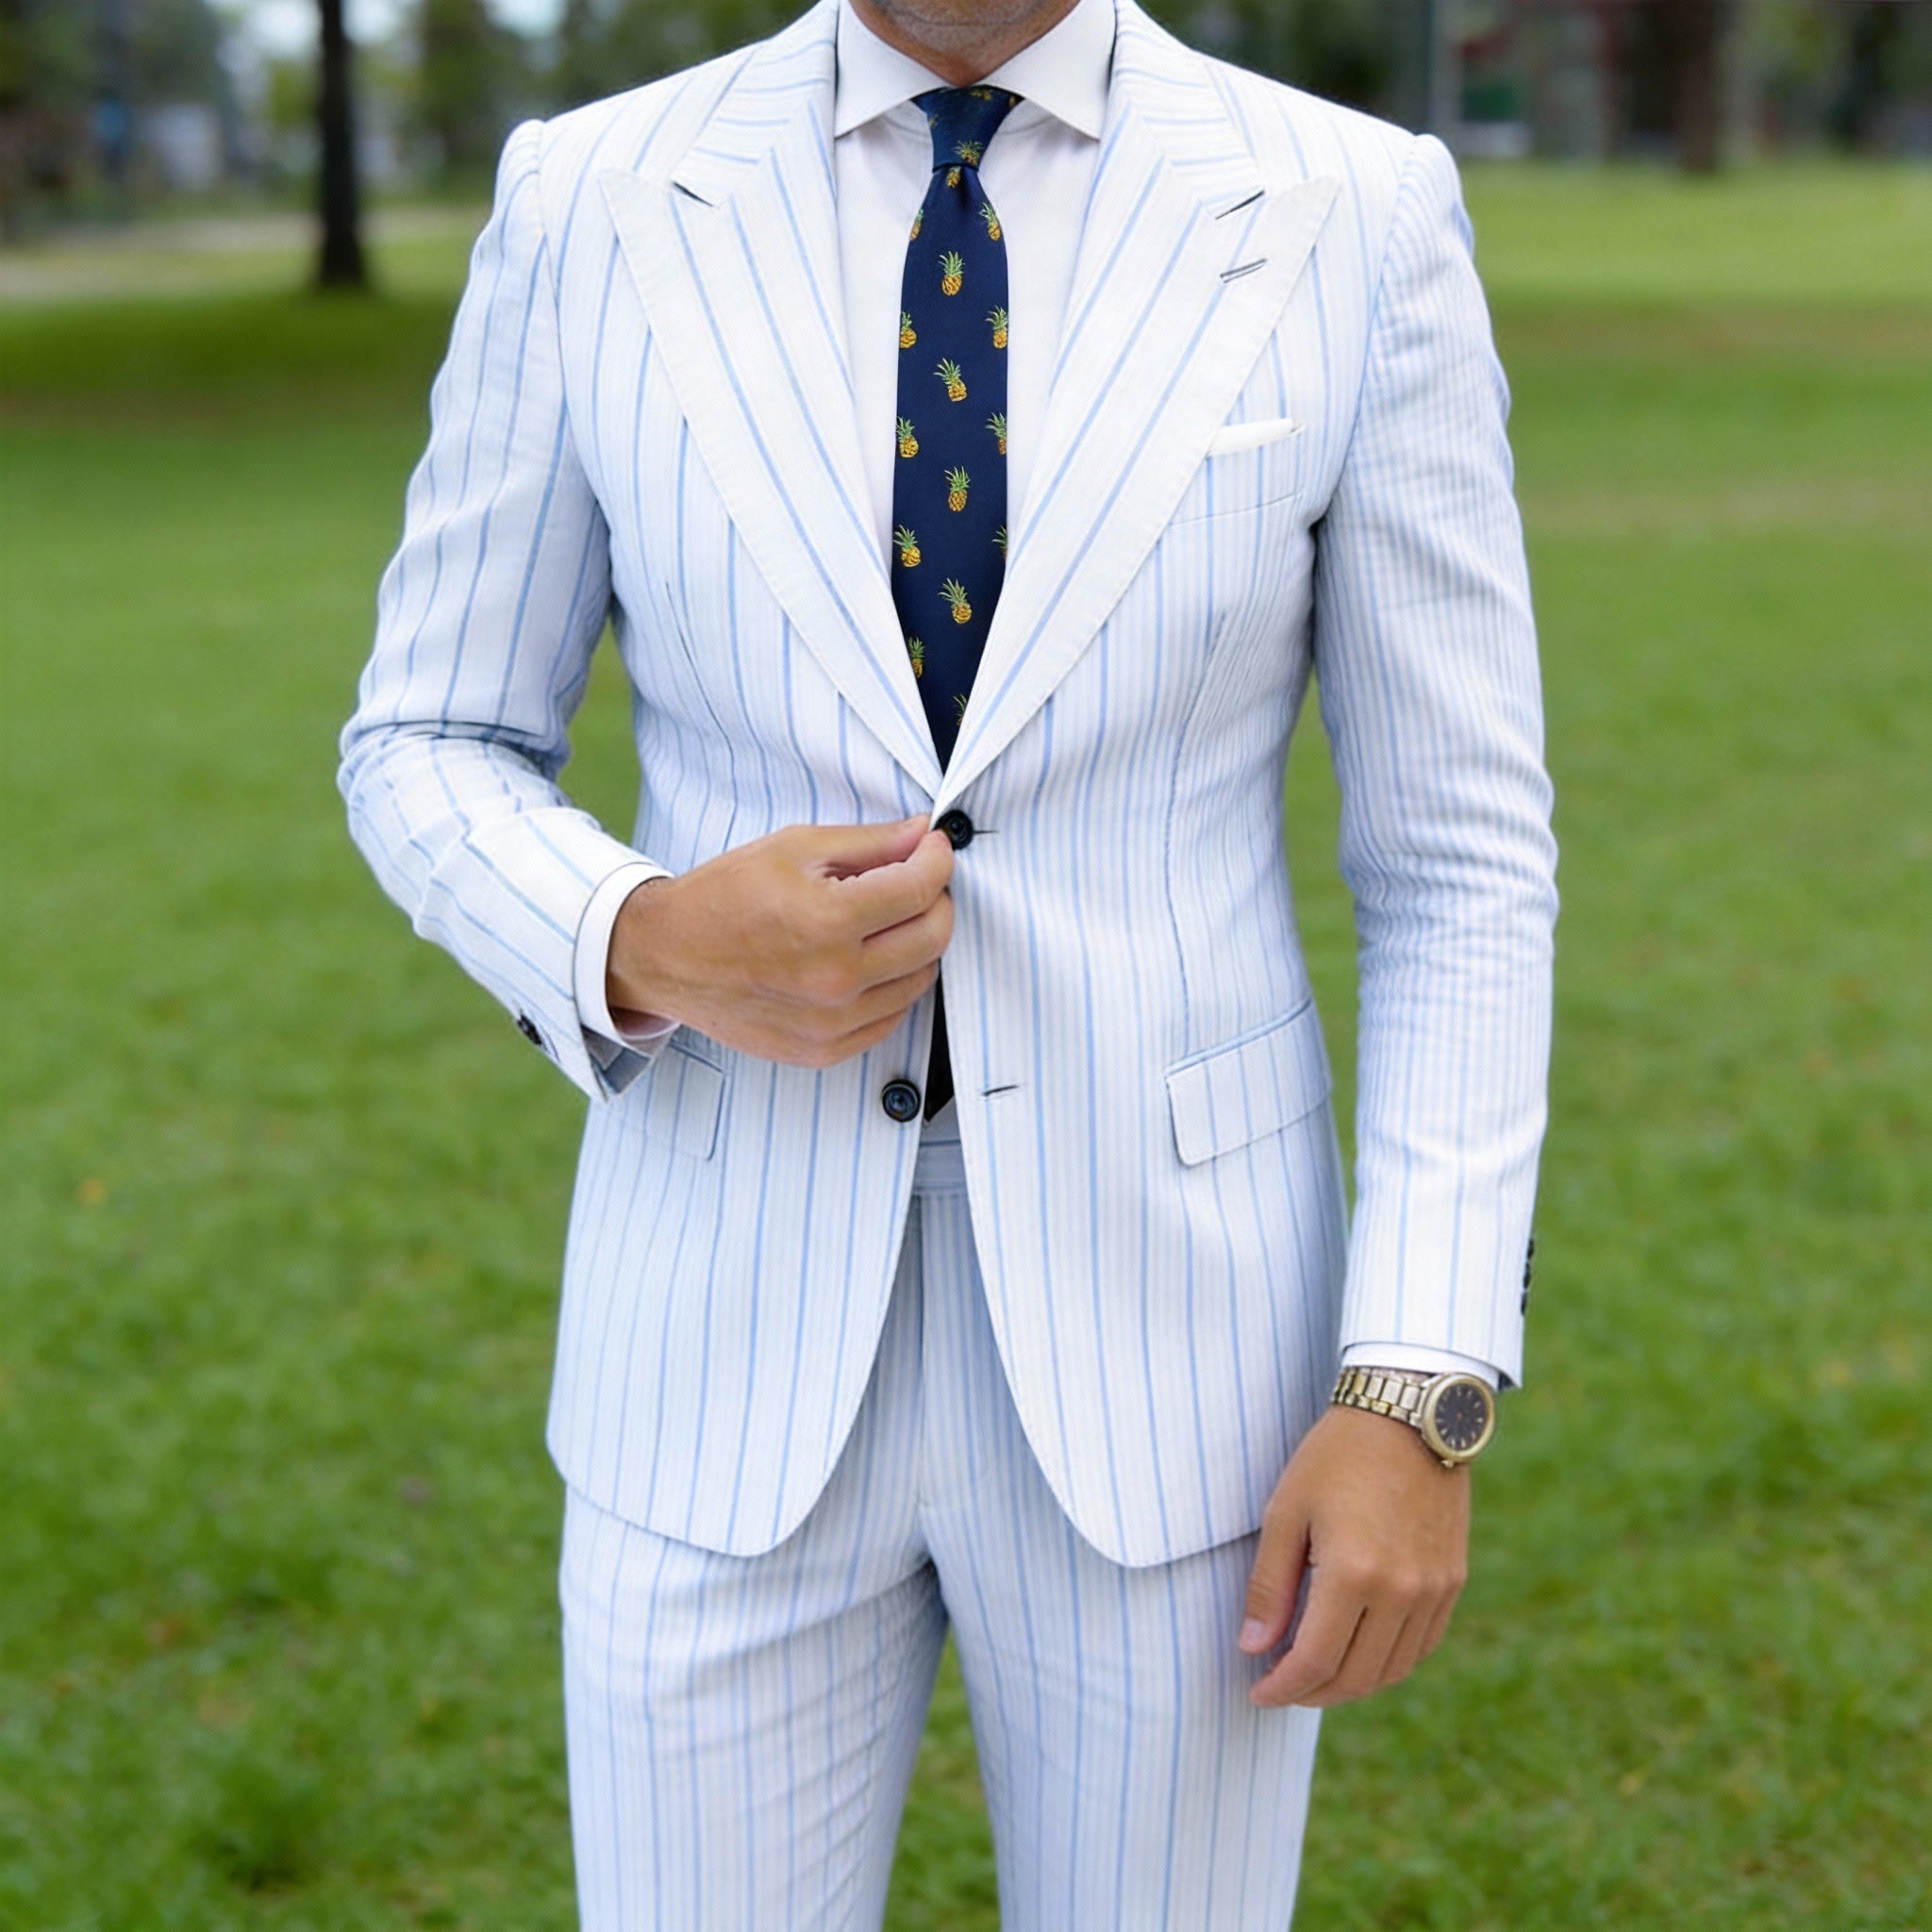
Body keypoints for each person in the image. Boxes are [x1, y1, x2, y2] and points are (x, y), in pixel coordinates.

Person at [339, 0, 1557, 1922]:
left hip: (1187, 1371)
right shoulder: (591, 196)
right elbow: (426, 736)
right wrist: (637, 934)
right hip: (711, 1339)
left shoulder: (1353, 205)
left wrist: (1418, 1378)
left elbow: (1459, 857)